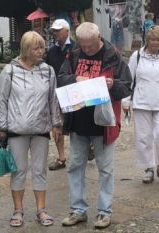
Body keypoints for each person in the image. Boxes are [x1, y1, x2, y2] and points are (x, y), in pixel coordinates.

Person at [57, 22, 132, 229]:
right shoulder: (73, 55)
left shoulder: (112, 57)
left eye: (90, 45)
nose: (87, 50)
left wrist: (112, 85)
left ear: (99, 38)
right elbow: (61, 78)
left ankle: (104, 212)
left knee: (105, 169)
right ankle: (78, 210)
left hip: (103, 124)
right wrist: (76, 78)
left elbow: (126, 86)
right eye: (83, 45)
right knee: (75, 167)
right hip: (78, 122)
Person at [0, 31, 62, 227]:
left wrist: (56, 123)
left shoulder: (48, 71)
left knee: (40, 170)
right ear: (26, 49)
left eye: (42, 47)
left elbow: (53, 99)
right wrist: (1, 126)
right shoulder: (10, 71)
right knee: (19, 170)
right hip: (17, 128)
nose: (41, 51)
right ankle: (18, 210)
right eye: (36, 48)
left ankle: (41, 209)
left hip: (40, 127)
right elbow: (2, 100)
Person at [122, 26, 159, 184]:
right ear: (147, 40)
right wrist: (126, 100)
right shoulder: (137, 56)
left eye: (158, 40)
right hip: (141, 102)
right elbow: (129, 80)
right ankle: (149, 167)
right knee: (144, 136)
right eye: (152, 40)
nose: (155, 43)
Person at [44, 19, 74, 171]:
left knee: (76, 123)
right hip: (56, 91)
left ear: (67, 31)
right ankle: (61, 157)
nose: (55, 33)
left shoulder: (76, 47)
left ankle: (81, 152)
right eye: (54, 31)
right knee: (57, 125)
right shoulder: (51, 51)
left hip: (73, 91)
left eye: (58, 30)